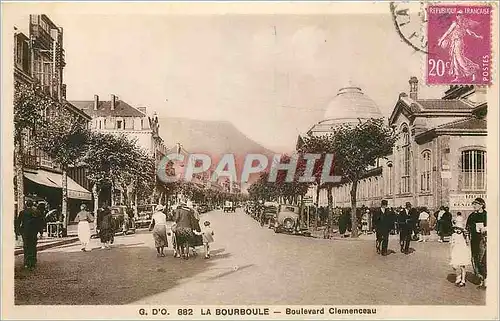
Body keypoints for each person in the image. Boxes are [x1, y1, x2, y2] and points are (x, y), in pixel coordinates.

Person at [16, 200, 44, 270]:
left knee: (26, 247)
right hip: (34, 232)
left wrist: (18, 231)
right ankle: (33, 262)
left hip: (25, 232)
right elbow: (40, 222)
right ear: (32, 205)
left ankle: (26, 263)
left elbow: (18, 222)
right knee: (33, 246)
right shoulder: (37, 212)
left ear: (26, 205)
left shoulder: (22, 212)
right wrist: (41, 232)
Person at [466, 198, 487, 289]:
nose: (474, 206)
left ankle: (484, 279)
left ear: (482, 205)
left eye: (476, 204)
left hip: (483, 240)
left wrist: (486, 229)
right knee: (474, 258)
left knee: (482, 259)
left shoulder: (486, 215)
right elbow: (467, 227)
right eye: (473, 204)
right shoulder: (471, 216)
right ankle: (478, 276)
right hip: (473, 239)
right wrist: (466, 236)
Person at [450, 214, 470, 287]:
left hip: (462, 251)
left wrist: (467, 235)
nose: (457, 230)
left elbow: (467, 243)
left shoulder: (463, 235)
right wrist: (451, 252)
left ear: (461, 229)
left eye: (458, 229)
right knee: (455, 266)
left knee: (462, 266)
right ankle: (458, 277)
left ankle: (463, 280)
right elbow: (452, 244)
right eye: (455, 229)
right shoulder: (454, 235)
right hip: (456, 251)